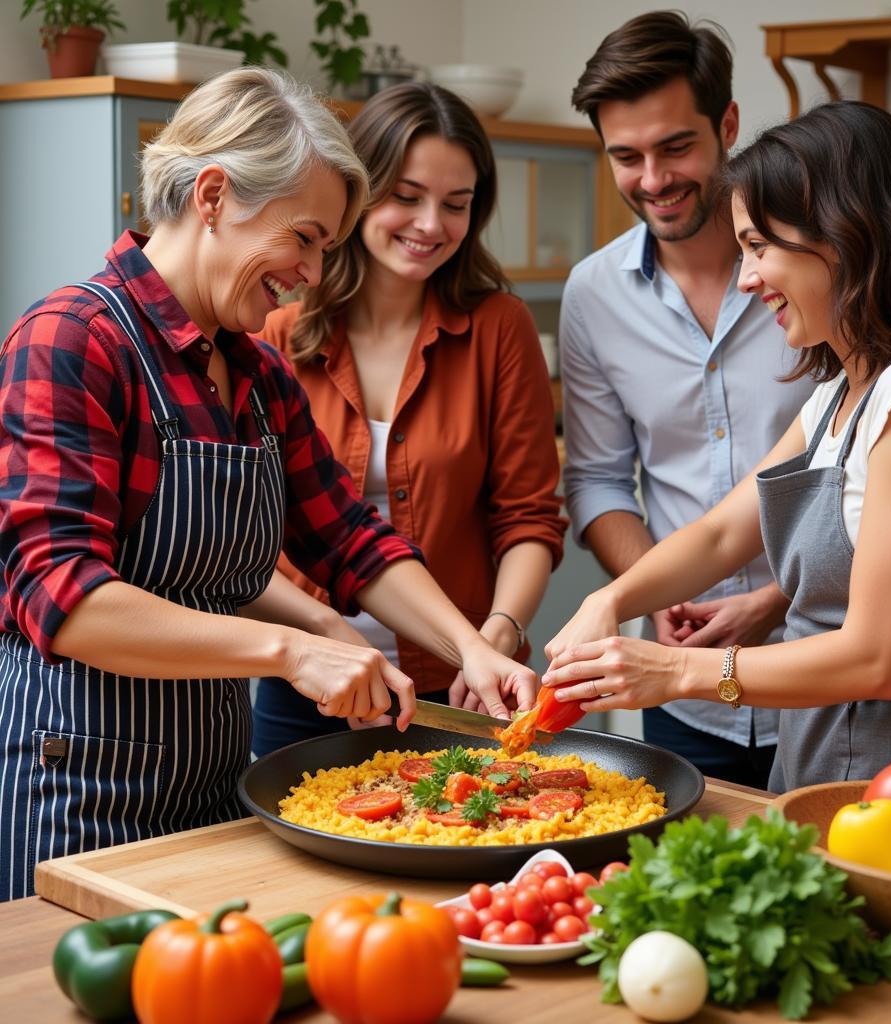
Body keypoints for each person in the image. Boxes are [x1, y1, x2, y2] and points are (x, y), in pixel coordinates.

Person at [0, 68, 538, 902]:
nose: (315, 272)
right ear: (213, 194)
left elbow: (348, 536)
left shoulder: (254, 373)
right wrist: (295, 649)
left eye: (325, 247)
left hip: (211, 785)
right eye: (306, 237)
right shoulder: (72, 340)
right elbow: (61, 596)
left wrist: (468, 645)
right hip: (76, 791)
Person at [543, 100, 891, 797]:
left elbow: (877, 657)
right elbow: (716, 537)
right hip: (829, 744)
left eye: (760, 247)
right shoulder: (841, 392)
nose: (746, 277)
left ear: (848, 234)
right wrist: (610, 601)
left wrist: (673, 672)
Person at [250, 82, 565, 756]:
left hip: (460, 684)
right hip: (308, 683)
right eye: (407, 196)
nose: (431, 225)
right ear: (358, 192)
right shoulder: (274, 331)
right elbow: (243, 537)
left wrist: (496, 634)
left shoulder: (499, 329)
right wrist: (323, 640)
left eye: (456, 205)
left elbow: (528, 516)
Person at [558, 11, 814, 785]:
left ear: (727, 123)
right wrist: (656, 591)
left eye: (676, 147)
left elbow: (872, 472)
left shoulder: (815, 267)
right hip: (679, 696)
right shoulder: (594, 295)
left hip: (827, 682)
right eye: (625, 156)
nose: (653, 179)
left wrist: (773, 599)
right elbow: (598, 479)